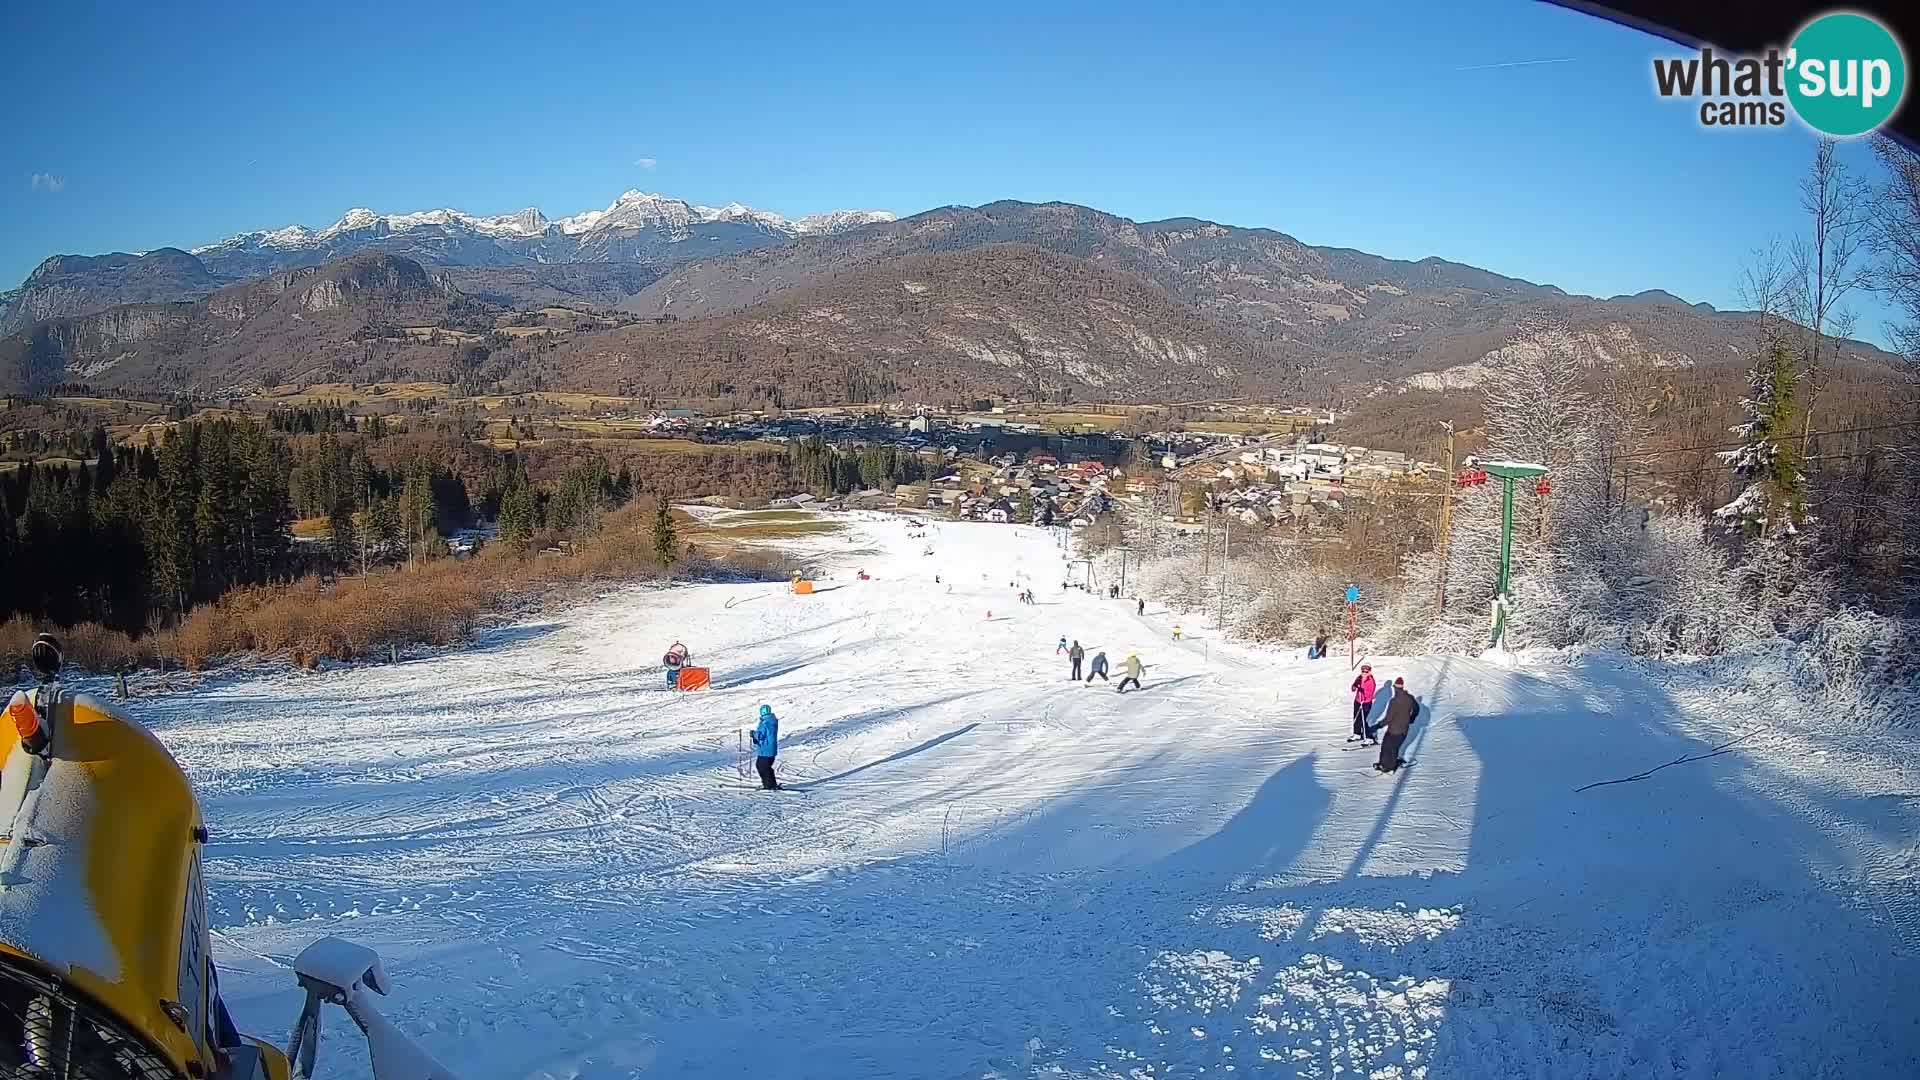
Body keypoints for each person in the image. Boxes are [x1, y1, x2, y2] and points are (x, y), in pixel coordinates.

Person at [1373, 677, 1420, 773]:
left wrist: (1378, 726)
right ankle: (1384, 764)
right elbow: (1416, 709)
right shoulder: (1410, 698)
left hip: (1394, 730)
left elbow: (1388, 719)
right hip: (1403, 730)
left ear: (1395, 688)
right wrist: (1412, 718)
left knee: (1387, 747)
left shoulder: (1394, 702)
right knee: (1393, 747)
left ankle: (1389, 767)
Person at [750, 704, 780, 789]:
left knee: (762, 767)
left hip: (766, 749)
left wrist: (753, 734)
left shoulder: (766, 722)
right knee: (766, 767)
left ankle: (768, 785)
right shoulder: (771, 720)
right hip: (769, 749)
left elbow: (761, 735)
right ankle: (772, 784)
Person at [1349, 664, 1378, 744]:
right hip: (1358, 700)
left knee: (1366, 719)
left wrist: (1363, 692)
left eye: (1366, 671)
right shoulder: (1359, 677)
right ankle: (1357, 733)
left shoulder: (1371, 680)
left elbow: (1370, 692)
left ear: (1369, 671)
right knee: (1357, 718)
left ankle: (1369, 738)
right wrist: (1354, 686)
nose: (1364, 672)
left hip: (1366, 702)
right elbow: (1353, 689)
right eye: (1363, 671)